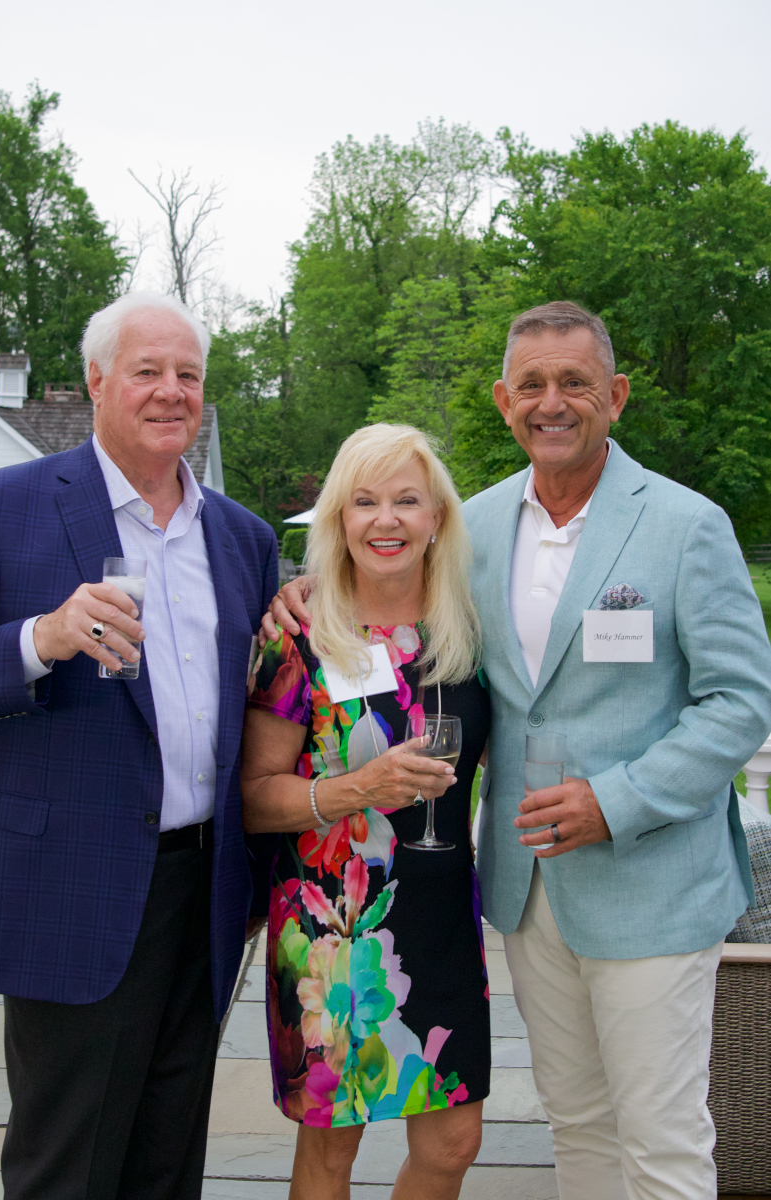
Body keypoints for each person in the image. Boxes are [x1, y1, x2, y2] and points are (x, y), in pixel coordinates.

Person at [265, 302, 771, 1200]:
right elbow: (380, 577)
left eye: (574, 382)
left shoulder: (685, 524)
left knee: (661, 1143)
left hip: (651, 885)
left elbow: (740, 702)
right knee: (576, 1125)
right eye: (530, 385)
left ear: (615, 395)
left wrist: (614, 799)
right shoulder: (479, 527)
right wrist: (305, 592)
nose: (552, 402)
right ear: (504, 402)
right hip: (525, 893)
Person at [0, 291, 278, 1200]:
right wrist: (40, 637)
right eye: (147, 371)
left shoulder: (243, 538)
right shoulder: (4, 506)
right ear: (96, 381)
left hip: (205, 885)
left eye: (187, 374)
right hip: (70, 882)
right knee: (67, 1163)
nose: (171, 391)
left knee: (168, 1156)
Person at [242, 424, 490, 1200]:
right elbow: (254, 796)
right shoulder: (301, 636)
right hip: (334, 930)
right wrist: (359, 788)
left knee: (453, 1144)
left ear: (436, 517)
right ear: (339, 520)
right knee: (331, 1150)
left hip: (443, 919)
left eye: (407, 501)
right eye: (365, 502)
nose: (386, 520)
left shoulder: (467, 630)